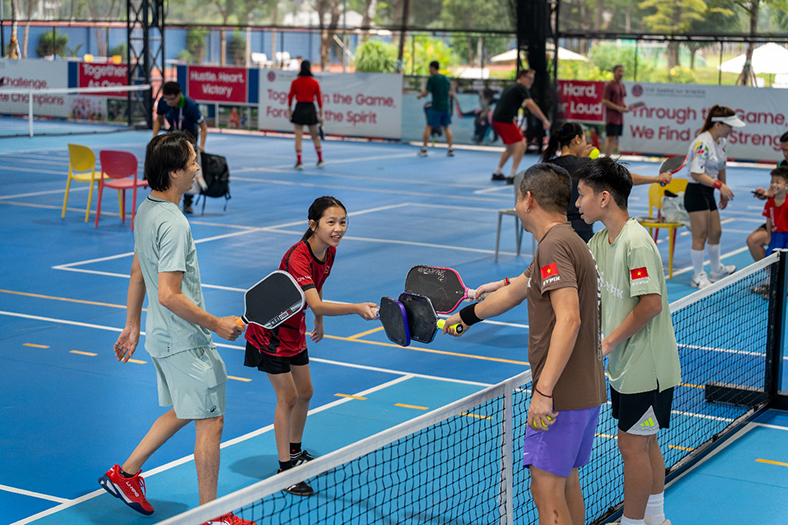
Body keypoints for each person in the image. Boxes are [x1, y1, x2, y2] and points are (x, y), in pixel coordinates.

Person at [98, 132, 251, 525]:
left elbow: (138, 271)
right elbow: (168, 294)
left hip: (162, 335)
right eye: (193, 162)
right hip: (185, 340)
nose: (198, 168)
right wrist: (216, 324)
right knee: (211, 420)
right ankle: (211, 516)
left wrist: (132, 325)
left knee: (188, 407)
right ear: (173, 172)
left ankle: (125, 475)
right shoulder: (174, 224)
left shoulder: (146, 210)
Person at [443, 163, 606, 525]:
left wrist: (544, 391)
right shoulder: (566, 240)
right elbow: (518, 288)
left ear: (528, 199)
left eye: (517, 196)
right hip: (586, 389)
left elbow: (569, 319)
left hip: (560, 394)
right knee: (566, 483)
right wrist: (467, 316)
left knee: (545, 489)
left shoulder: (553, 247)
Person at [244, 196, 378, 496]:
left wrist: (318, 319)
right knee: (288, 397)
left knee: (305, 392)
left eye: (343, 222)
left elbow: (316, 290)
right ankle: (285, 471)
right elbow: (315, 300)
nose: (338, 228)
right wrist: (355, 308)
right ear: (313, 224)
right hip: (270, 331)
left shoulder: (328, 251)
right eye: (331, 222)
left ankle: (295, 452)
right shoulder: (298, 257)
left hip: (294, 329)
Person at [575, 157, 681, 525]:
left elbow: (650, 305)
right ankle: (655, 518)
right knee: (644, 443)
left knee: (632, 446)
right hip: (626, 364)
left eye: (582, 195)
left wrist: (606, 344)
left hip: (646, 367)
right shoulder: (600, 241)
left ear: (604, 198)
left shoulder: (636, 243)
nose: (577, 203)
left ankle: (633, 523)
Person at [542, 123, 672, 242]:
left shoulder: (547, 166)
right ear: (577, 139)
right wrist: (656, 179)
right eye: (584, 139)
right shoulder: (586, 164)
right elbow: (622, 177)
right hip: (581, 232)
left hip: (551, 232)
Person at [683, 105, 744, 289]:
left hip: (708, 191)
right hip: (696, 192)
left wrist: (722, 189)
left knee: (716, 232)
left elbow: (721, 166)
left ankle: (716, 270)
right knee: (700, 235)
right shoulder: (702, 143)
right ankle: (697, 276)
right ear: (718, 124)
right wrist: (720, 185)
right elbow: (696, 173)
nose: (732, 130)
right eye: (729, 126)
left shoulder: (721, 142)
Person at [154, 81, 208, 215]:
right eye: (167, 99)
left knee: (188, 172)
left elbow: (204, 127)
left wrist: (201, 146)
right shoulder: (163, 102)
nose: (169, 102)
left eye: (172, 99)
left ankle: (187, 202)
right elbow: (159, 119)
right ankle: (166, 199)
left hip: (189, 140)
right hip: (172, 138)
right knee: (168, 170)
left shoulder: (191, 106)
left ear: (179, 95)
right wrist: (154, 138)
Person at [491, 69, 551, 183]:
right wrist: (544, 120)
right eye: (529, 78)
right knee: (521, 144)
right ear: (522, 77)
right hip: (504, 120)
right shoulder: (521, 88)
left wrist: (513, 115)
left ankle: (497, 173)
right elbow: (531, 105)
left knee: (511, 147)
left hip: (498, 119)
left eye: (532, 79)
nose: (531, 82)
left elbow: (506, 104)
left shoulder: (511, 87)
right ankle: (512, 175)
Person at [747, 131, 788, 261]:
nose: (785, 154)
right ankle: (772, 273)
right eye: (783, 150)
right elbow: (775, 188)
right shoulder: (782, 164)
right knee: (753, 241)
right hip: (779, 221)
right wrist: (765, 193)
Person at [287, 60, 325, 170]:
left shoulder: (295, 82)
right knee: (315, 136)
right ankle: (320, 160)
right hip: (310, 109)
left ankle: (299, 162)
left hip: (299, 108)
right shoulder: (315, 83)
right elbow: (319, 99)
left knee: (298, 137)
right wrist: (321, 114)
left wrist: (289, 111)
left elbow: (290, 97)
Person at [416, 61, 454, 157]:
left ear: (432, 68)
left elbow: (426, 93)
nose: (429, 70)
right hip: (445, 107)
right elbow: (449, 93)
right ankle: (450, 149)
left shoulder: (432, 79)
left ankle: (424, 149)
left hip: (436, 107)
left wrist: (420, 95)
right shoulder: (446, 79)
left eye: (430, 68)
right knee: (446, 127)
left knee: (428, 126)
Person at [602, 65, 628, 157]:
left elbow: (621, 99)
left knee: (614, 139)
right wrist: (618, 108)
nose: (621, 73)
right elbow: (605, 101)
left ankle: (608, 158)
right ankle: (606, 160)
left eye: (622, 71)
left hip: (619, 118)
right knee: (610, 138)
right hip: (611, 117)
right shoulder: (609, 85)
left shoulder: (622, 85)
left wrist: (625, 106)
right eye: (619, 71)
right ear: (614, 72)